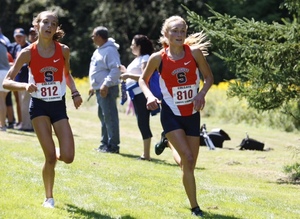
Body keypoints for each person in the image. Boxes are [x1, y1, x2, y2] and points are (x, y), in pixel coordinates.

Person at [3, 10, 83, 208]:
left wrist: (74, 92)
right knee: (49, 158)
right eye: (45, 22)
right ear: (37, 25)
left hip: (58, 105)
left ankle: (55, 149)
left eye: (53, 23)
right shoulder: (27, 53)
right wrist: (24, 86)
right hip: (38, 106)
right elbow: (7, 82)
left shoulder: (63, 50)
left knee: (68, 157)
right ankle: (49, 197)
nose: (49, 26)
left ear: (56, 28)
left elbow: (67, 74)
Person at [138, 16, 214, 217]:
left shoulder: (195, 53)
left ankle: (168, 142)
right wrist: (149, 96)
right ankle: (195, 207)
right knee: (187, 158)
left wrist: (201, 93)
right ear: (166, 34)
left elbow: (209, 78)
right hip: (171, 114)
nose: (179, 35)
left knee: (188, 164)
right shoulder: (158, 58)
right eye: (175, 31)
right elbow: (142, 80)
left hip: (192, 114)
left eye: (182, 31)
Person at [120, 34, 156, 161]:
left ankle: (146, 155)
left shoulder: (145, 58)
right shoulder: (138, 58)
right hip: (136, 94)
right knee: (141, 122)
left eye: (133, 44)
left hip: (142, 94)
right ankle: (146, 153)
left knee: (143, 122)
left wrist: (128, 75)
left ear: (139, 46)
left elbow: (145, 76)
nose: (131, 47)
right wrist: (126, 72)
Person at [88, 26, 121, 154]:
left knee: (110, 117)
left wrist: (105, 84)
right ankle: (104, 144)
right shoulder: (99, 50)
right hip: (100, 89)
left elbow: (115, 70)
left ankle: (113, 146)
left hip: (107, 89)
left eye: (93, 35)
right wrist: (93, 85)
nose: (92, 38)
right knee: (103, 116)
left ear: (99, 37)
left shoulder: (110, 51)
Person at [9, 28, 33, 131]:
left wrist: (15, 65)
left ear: (25, 36)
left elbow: (29, 63)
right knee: (20, 103)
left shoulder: (28, 47)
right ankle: (22, 123)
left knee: (26, 103)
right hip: (18, 80)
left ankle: (28, 125)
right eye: (16, 37)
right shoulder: (16, 47)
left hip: (27, 80)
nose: (18, 38)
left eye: (20, 36)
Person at [0, 41, 10, 131]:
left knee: (1, 100)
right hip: (6, 73)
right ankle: (2, 123)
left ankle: (2, 125)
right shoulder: (3, 44)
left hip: (0, 73)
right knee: (2, 99)